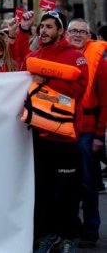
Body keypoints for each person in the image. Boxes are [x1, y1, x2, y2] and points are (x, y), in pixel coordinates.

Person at [22, 11, 89, 253]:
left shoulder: (75, 57)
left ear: (60, 30)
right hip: (39, 135)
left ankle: (68, 234)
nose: (44, 30)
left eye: (49, 26)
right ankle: (46, 234)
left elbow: (79, 89)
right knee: (43, 189)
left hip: (65, 135)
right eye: (42, 26)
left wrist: (46, 81)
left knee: (68, 189)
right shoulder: (33, 56)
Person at [64, 18, 107, 248]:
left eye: (82, 31)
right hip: (61, 127)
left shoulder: (99, 62)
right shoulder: (58, 56)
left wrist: (99, 135)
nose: (78, 34)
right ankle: (70, 225)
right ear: (66, 34)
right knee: (65, 181)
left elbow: (105, 100)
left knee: (88, 182)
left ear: (89, 37)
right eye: (73, 31)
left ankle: (91, 229)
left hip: (88, 130)